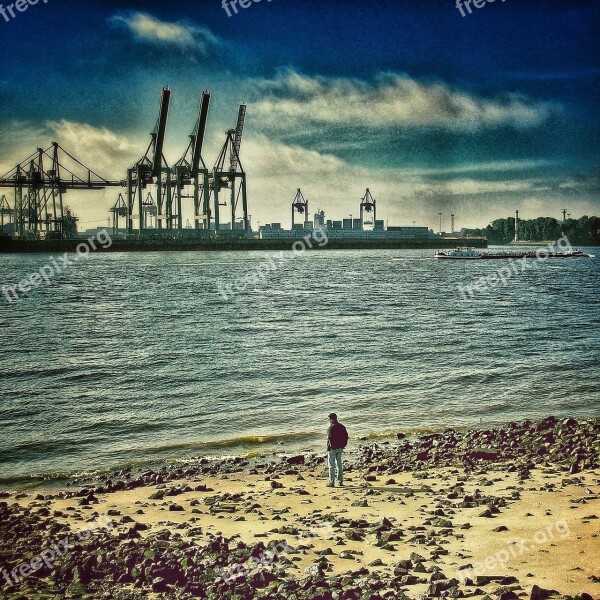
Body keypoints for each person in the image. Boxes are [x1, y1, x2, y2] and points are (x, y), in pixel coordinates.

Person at [326, 413, 348, 487]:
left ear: (332, 419)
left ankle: (331, 482)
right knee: (339, 465)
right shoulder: (342, 427)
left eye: (329, 419)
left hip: (332, 449)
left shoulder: (330, 428)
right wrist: (343, 445)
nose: (328, 420)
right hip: (340, 448)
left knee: (331, 466)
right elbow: (346, 437)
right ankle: (340, 481)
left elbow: (330, 438)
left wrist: (332, 447)